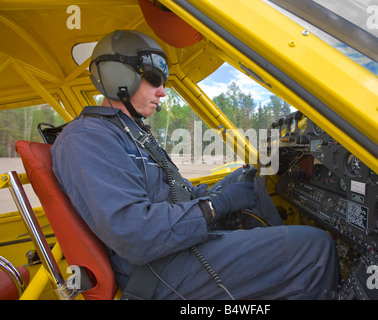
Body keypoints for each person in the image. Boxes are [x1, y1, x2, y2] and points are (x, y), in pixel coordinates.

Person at [51, 30, 339, 299]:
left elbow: (179, 193)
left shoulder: (129, 133)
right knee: (315, 249)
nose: (162, 91)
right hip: (156, 269)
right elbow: (135, 234)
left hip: (172, 250)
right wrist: (217, 206)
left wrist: (224, 192)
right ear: (117, 76)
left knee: (249, 176)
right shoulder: (87, 139)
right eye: (154, 79)